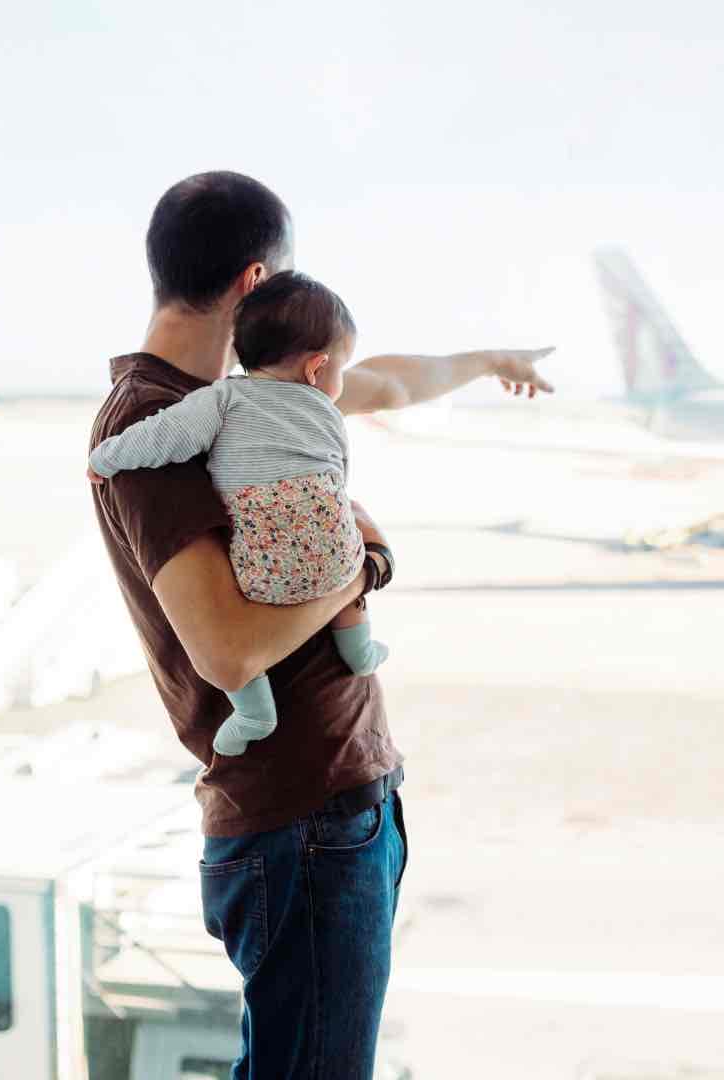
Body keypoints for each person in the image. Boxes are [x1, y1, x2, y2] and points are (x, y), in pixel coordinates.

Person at [88, 170, 553, 1078]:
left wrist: (491, 359)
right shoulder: (159, 422)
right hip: (298, 817)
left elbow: (387, 380)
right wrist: (360, 557)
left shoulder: (254, 393)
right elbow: (228, 648)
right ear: (257, 284)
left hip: (335, 809)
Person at [89, 271, 390, 757]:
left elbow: (164, 437)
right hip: (340, 560)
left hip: (260, 575)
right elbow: (339, 480)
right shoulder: (327, 413)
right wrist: (359, 547)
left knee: (264, 591)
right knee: (339, 541)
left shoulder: (221, 400)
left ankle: (253, 711)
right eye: (342, 368)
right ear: (316, 369)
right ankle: (360, 651)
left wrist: (105, 459)